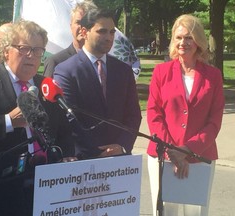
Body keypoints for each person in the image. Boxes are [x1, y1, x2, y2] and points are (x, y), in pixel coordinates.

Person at [0, 20, 76, 216]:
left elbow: (64, 133)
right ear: (6, 50)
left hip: (39, 192)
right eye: (23, 48)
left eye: (37, 50)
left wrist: (66, 155)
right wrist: (9, 121)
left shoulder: (47, 86)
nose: (31, 55)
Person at [146, 14, 225, 216]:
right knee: (165, 212)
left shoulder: (213, 75)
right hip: (163, 156)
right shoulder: (160, 72)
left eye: (188, 37)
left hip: (200, 156)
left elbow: (214, 121)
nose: (183, 43)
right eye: (179, 37)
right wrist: (173, 152)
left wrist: (188, 150)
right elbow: (154, 114)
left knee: (196, 212)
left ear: (198, 40)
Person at [53, 9, 142, 159]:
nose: (109, 38)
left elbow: (133, 114)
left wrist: (122, 145)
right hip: (83, 161)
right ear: (84, 32)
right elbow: (69, 118)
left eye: (112, 32)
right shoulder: (66, 70)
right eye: (102, 31)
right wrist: (96, 151)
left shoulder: (124, 70)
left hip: (119, 159)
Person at [43, 0, 97, 77]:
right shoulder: (56, 62)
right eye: (78, 22)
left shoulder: (103, 62)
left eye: (87, 22)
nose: (82, 27)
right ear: (71, 26)